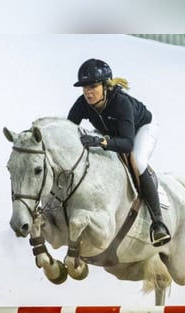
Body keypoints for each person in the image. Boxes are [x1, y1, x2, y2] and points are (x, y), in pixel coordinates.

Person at [67, 58, 171, 247]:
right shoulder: (83, 103)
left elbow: (127, 144)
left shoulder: (121, 103)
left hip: (142, 129)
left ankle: (158, 222)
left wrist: (100, 141)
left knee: (138, 161)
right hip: (115, 133)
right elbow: (68, 128)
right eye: (84, 87)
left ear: (105, 86)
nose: (88, 92)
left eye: (93, 86)